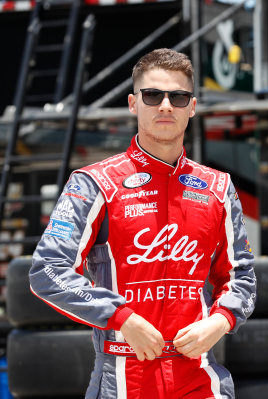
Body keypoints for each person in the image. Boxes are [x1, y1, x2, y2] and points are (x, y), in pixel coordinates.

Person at [29, 48, 256, 399]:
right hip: (123, 376)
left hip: (199, 377)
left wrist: (220, 320)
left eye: (178, 97)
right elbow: (48, 270)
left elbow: (241, 277)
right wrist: (121, 318)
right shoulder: (94, 183)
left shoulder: (218, 188)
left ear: (191, 108)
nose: (166, 106)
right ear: (134, 104)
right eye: (153, 95)